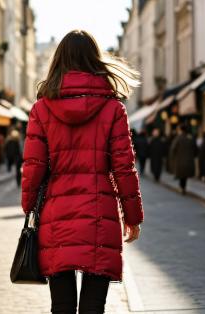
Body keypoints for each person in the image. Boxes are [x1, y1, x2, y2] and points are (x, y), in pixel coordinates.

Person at [21, 30, 144, 313]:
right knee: (93, 306)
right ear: (95, 60)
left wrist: (29, 208)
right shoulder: (113, 108)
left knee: (61, 305)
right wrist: (133, 216)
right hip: (101, 214)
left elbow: (33, 167)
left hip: (56, 215)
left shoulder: (41, 109)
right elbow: (124, 167)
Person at [170, 124, 197, 194]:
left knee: (181, 175)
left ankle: (182, 187)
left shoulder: (178, 138)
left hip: (180, 160)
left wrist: (173, 158)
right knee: (184, 176)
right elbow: (195, 149)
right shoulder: (190, 138)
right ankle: (183, 187)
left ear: (180, 130)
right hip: (188, 160)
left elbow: (173, 149)